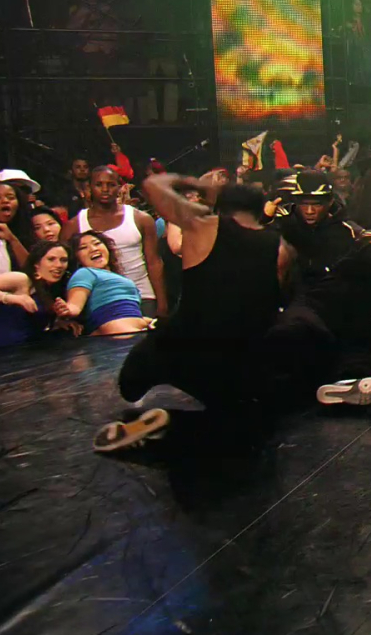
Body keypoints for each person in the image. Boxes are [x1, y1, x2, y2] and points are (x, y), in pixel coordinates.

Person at [92, 179, 299, 453]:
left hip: (177, 346)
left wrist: (196, 185)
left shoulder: (204, 226)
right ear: (261, 210)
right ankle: (177, 426)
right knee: (238, 419)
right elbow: (274, 307)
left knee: (129, 388)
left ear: (220, 208)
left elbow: (152, 185)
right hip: (235, 358)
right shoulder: (282, 249)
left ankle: (165, 425)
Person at [268, 170, 371, 404]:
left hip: (333, 306)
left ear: (329, 202)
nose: (309, 210)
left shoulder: (348, 233)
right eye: (304, 203)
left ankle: (355, 375)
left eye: (316, 204)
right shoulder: (279, 225)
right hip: (291, 306)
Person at [66, 166, 164, 318]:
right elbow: (67, 267)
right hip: (101, 300)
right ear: (89, 187)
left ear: (119, 187)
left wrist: (162, 303)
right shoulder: (75, 225)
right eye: (99, 184)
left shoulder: (141, 219)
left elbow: (154, 262)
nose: (105, 189)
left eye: (111, 184)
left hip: (142, 295)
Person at [0, 240, 72, 350]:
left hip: (26, 352)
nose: (58, 265)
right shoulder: (21, 279)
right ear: (36, 264)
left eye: (63, 260)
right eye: (51, 259)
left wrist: (59, 322)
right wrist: (11, 298)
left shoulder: (52, 290)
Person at [0, 180, 32, 277]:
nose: (5, 201)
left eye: (11, 197)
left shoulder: (26, 231)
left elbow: (32, 271)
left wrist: (12, 239)